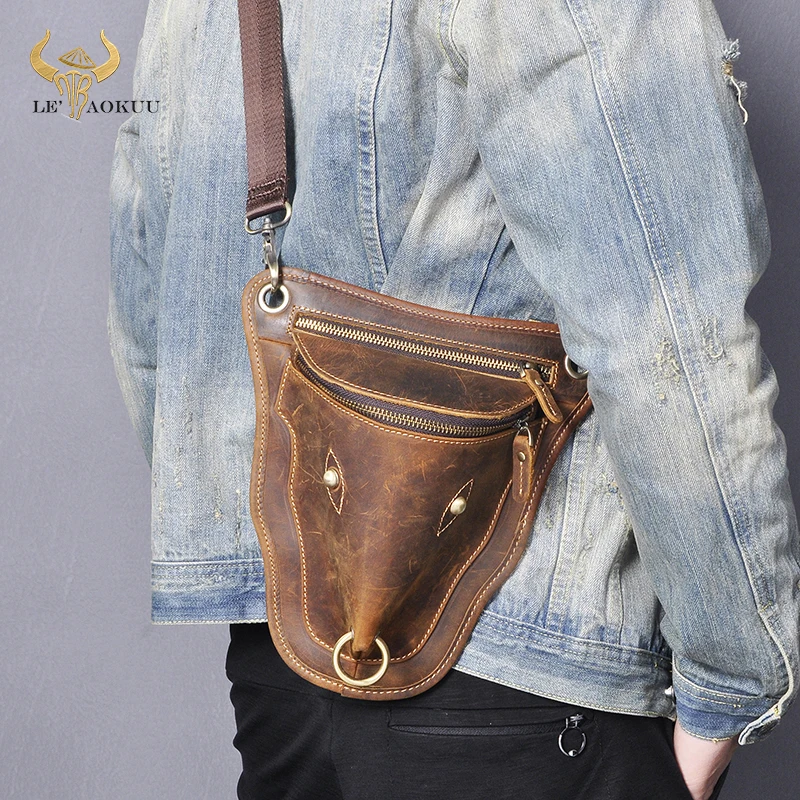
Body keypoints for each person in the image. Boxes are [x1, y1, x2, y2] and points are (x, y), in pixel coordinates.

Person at [107, 0, 800, 798]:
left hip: (285, 682)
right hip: (520, 670)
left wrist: (295, 554)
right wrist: (734, 682)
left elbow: (148, 299)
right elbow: (668, 332)